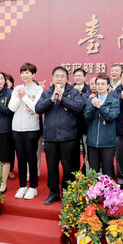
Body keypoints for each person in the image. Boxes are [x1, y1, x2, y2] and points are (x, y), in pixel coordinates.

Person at [35, 66, 85, 205]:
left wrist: (62, 99)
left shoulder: (74, 92)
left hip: (68, 137)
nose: (59, 78)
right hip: (51, 137)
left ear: (67, 78)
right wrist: (51, 99)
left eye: (62, 76)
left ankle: (68, 193)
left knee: (69, 167)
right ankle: (54, 193)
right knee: (51, 167)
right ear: (52, 78)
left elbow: (78, 108)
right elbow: (38, 109)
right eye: (57, 76)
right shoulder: (46, 93)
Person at [9, 63, 43, 200]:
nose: (24, 75)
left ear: (33, 74)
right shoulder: (17, 88)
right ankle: (23, 185)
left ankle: (33, 187)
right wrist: (19, 97)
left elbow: (37, 108)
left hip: (31, 128)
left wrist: (25, 97)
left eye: (28, 72)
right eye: (23, 72)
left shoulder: (38, 89)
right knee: (21, 158)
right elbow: (11, 107)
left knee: (31, 158)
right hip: (17, 128)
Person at [83, 74, 120, 178]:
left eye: (103, 84)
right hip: (92, 142)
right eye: (98, 84)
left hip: (108, 142)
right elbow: (86, 116)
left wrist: (100, 107)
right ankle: (93, 193)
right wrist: (93, 107)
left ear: (108, 85)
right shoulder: (91, 100)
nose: (100, 86)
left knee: (107, 170)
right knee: (93, 171)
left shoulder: (114, 101)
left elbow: (110, 117)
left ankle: (107, 193)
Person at [72, 68, 91, 174]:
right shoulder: (70, 89)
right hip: (72, 126)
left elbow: (87, 104)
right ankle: (74, 173)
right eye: (76, 76)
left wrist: (79, 93)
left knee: (86, 152)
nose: (78, 78)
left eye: (80, 76)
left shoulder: (89, 89)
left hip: (85, 126)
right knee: (73, 152)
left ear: (84, 77)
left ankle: (87, 173)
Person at [4, 72, 17, 179]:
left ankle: (11, 169)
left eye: (7, 81)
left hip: (13, 124)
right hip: (2, 124)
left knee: (11, 149)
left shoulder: (15, 92)